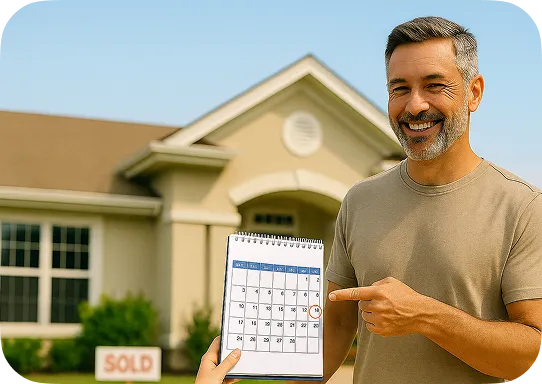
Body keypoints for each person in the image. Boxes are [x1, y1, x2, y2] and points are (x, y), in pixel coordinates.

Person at [311, 16, 542, 384]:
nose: (414, 106)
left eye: (434, 85)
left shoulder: (522, 207)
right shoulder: (358, 201)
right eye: (399, 88)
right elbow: (338, 326)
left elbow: (530, 357)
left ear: (474, 92)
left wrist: (424, 316)